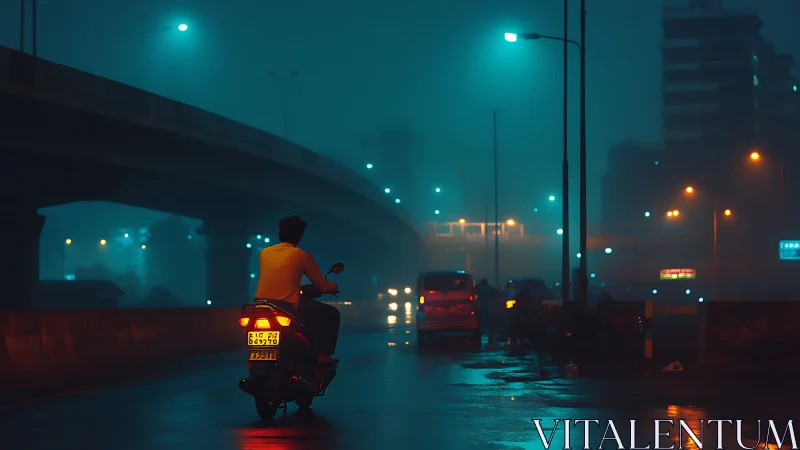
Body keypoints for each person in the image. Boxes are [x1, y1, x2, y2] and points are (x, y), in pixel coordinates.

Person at [254, 215, 340, 364]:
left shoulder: (264, 253)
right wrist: (332, 286)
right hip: (286, 307)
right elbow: (322, 286)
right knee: (331, 314)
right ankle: (322, 356)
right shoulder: (302, 255)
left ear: (280, 234)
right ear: (299, 237)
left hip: (261, 305)